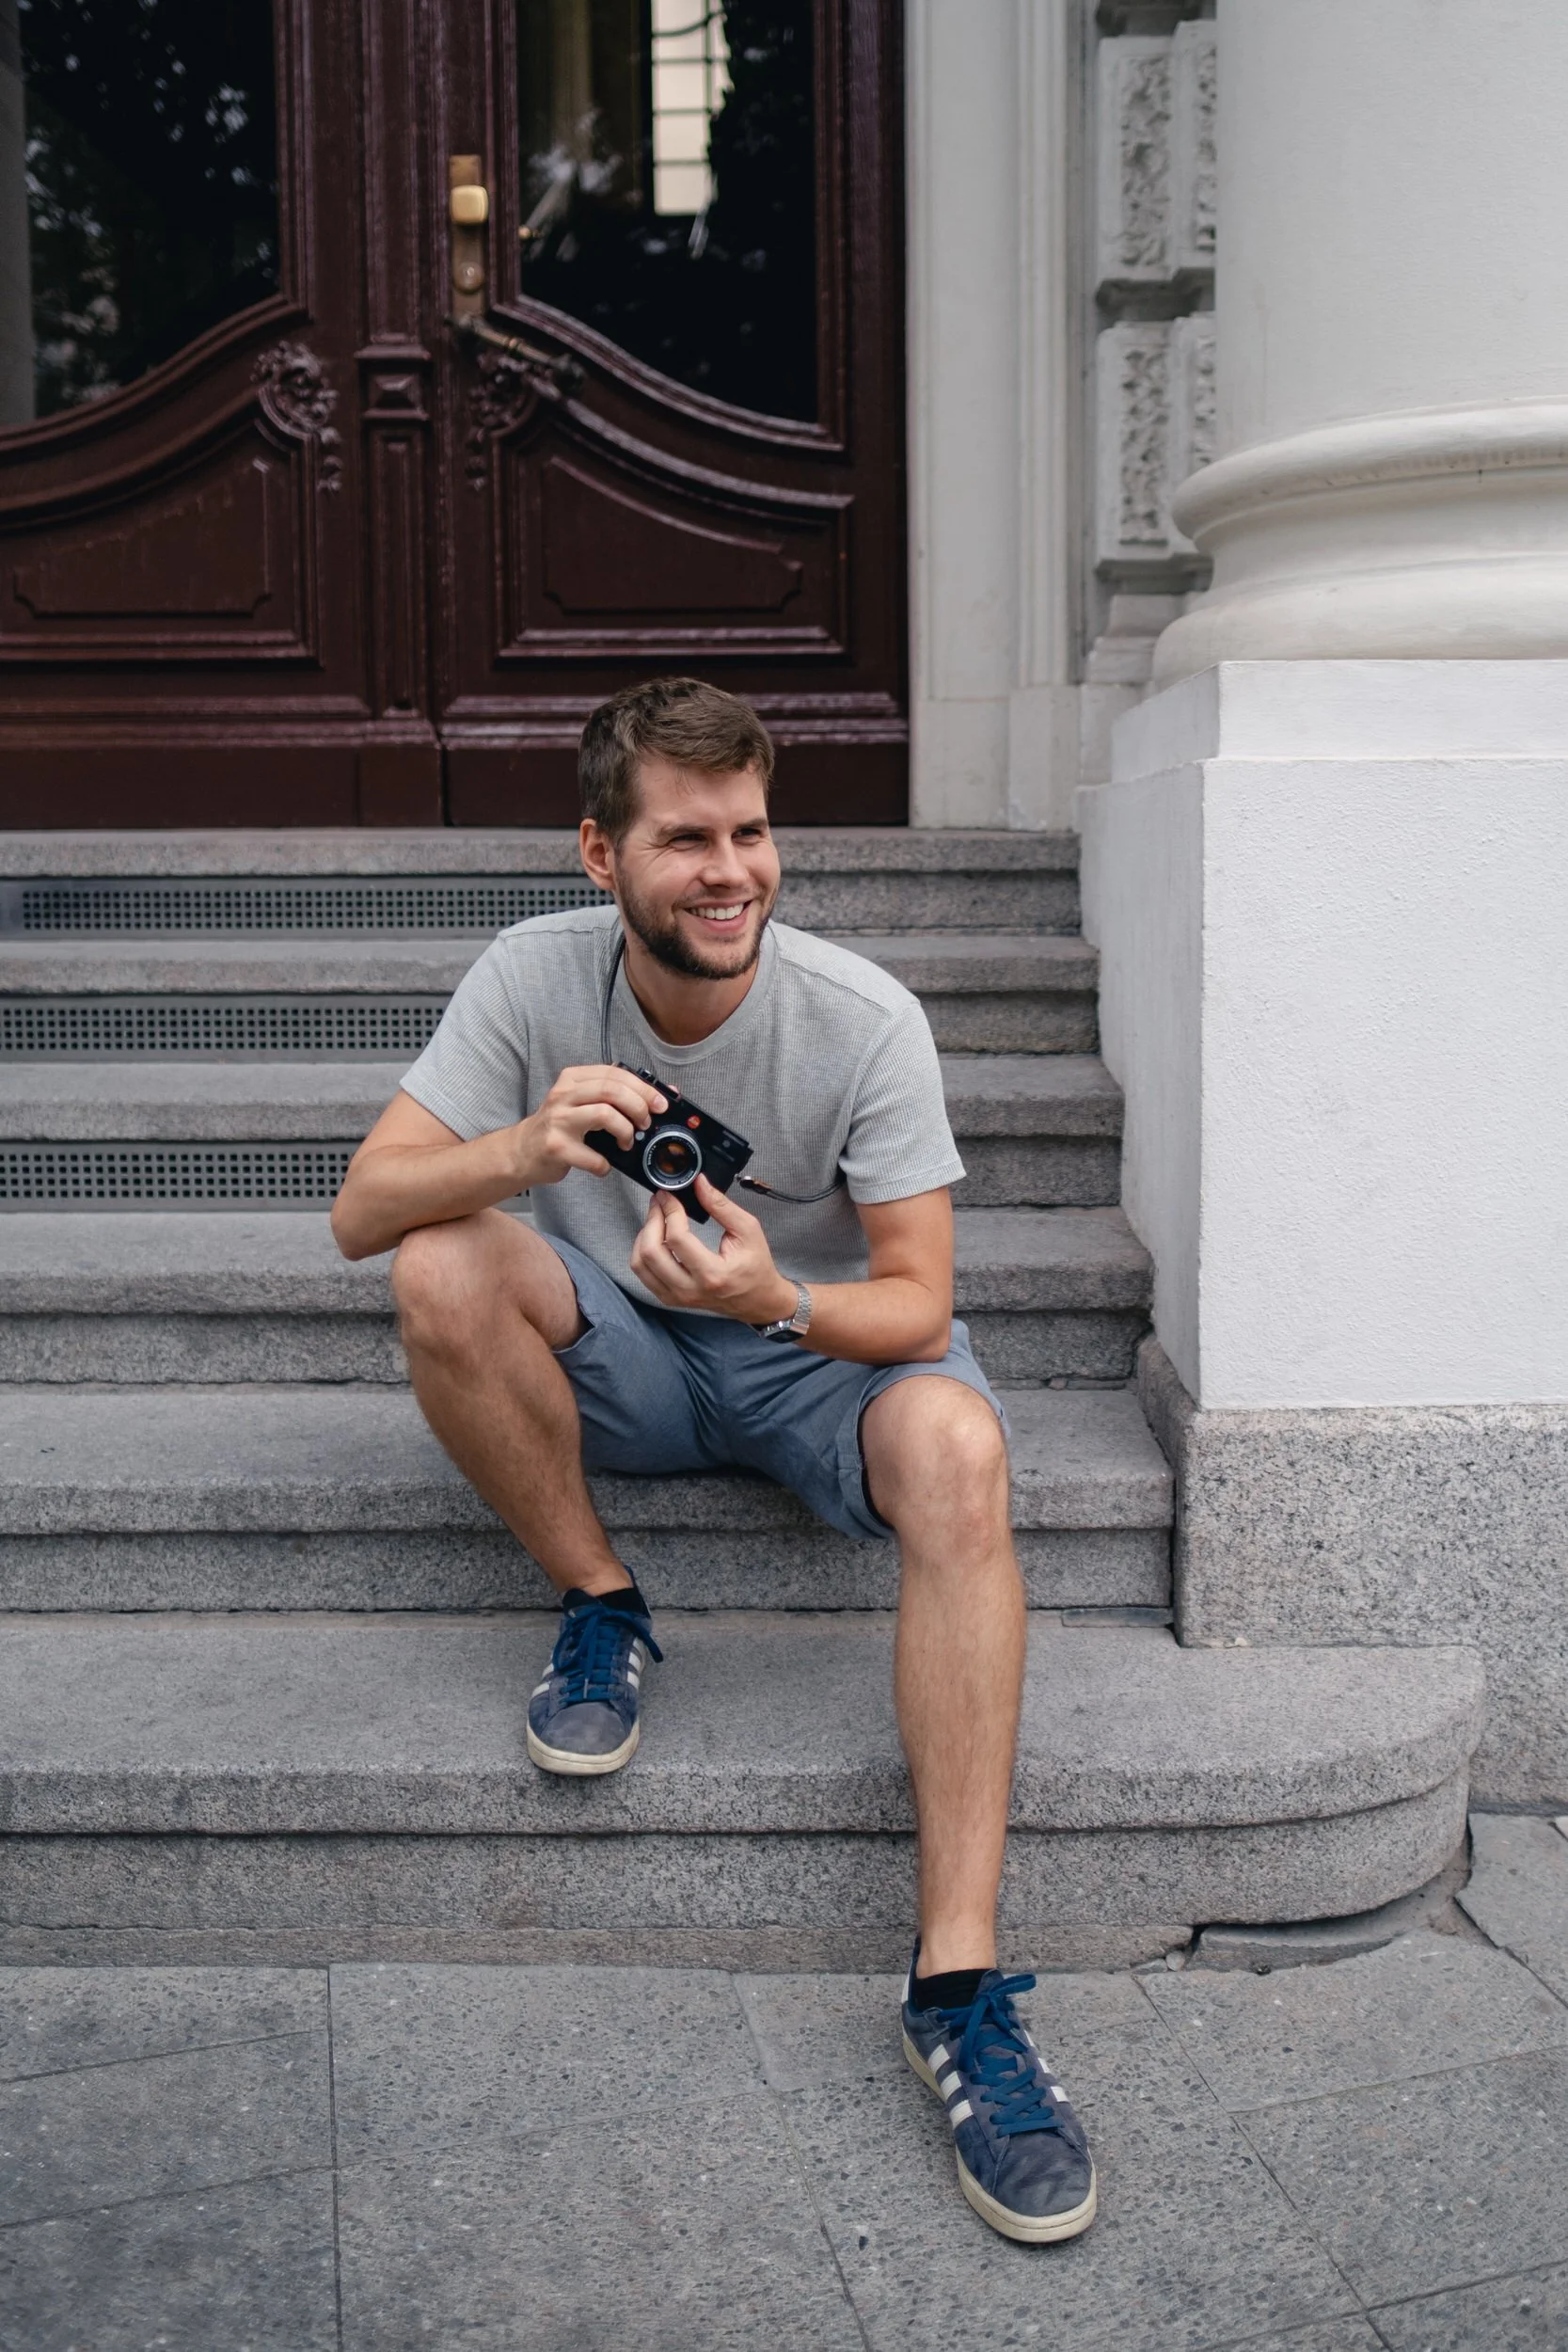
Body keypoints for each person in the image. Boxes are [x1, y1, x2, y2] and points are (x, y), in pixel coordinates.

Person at [330, 676, 1097, 2244]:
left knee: (958, 1448)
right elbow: (362, 1210)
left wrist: (779, 1298)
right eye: (686, 839)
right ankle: (599, 1597)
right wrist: (526, 1151)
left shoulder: (860, 1018)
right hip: (629, 1355)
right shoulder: (533, 976)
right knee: (439, 1261)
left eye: (750, 832)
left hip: (818, 1354)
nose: (730, 871)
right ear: (599, 855)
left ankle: (954, 1987)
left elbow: (921, 1304)